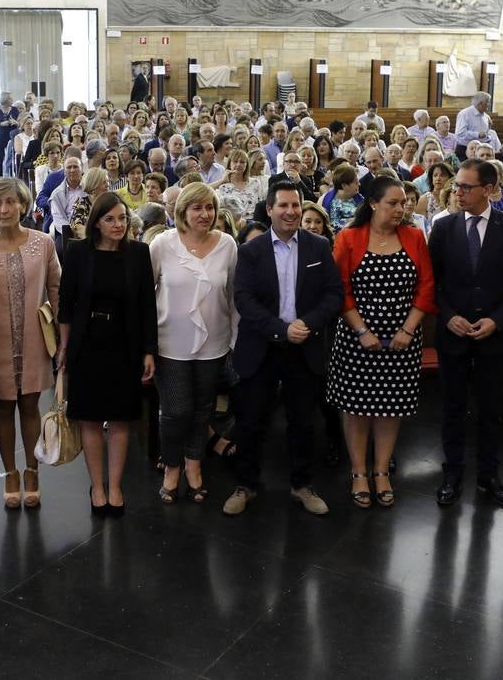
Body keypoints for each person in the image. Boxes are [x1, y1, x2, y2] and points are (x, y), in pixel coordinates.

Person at [224, 180, 343, 517]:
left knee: (303, 422)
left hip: (305, 346)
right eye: (283, 206)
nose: (291, 212)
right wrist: (282, 330)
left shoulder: (319, 247)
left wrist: (308, 324)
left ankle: (302, 486)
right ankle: (245, 485)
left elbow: (333, 294)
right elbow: (244, 299)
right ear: (270, 209)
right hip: (262, 346)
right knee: (250, 421)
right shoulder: (250, 251)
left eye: (296, 205)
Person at [428, 160, 503, 510]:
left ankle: (489, 475)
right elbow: (432, 284)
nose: (457, 191)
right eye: (456, 186)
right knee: (453, 408)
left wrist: (497, 321)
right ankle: (452, 473)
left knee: (491, 409)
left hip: (493, 335)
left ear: (488, 189)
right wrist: (449, 315)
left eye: (465, 187)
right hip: (453, 333)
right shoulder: (443, 228)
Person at [327, 177, 436, 509]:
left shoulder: (415, 236)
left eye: (404, 203)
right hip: (357, 338)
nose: (401, 209)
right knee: (357, 410)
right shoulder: (348, 237)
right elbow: (340, 290)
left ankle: (381, 471)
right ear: (373, 204)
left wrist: (407, 330)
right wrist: (362, 331)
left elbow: (427, 287)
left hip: (403, 340)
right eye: (394, 203)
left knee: (391, 408)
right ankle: (359, 471)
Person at [59, 192, 157, 516]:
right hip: (87, 343)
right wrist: (63, 348)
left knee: (120, 418)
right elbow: (65, 305)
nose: (118, 224)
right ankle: (96, 485)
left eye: (123, 218)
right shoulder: (77, 252)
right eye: (110, 219)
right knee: (89, 417)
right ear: (96, 223)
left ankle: (114, 485)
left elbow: (147, 306)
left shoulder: (139, 253)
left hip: (125, 343)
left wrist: (149, 350)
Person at [149, 183, 237, 504]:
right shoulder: (162, 244)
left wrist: (235, 340)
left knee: (203, 410)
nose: (205, 214)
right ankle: (171, 467)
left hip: (214, 343)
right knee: (175, 411)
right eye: (197, 208)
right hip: (168, 343)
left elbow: (233, 296)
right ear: (182, 212)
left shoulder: (227, 244)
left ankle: (194, 466)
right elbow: (147, 295)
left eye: (209, 207)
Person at [0, 178, 60, 509]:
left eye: (10, 202)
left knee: (29, 406)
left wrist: (62, 335)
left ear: (23, 205)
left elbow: (56, 287)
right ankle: (10, 472)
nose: (4, 209)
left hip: (35, 338)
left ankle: (32, 470)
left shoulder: (43, 244)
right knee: (2, 407)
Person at [454, 92, 500, 158]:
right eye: (487, 102)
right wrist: (477, 134)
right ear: (481, 103)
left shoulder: (486, 116)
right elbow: (460, 133)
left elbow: (486, 133)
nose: (489, 105)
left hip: (481, 150)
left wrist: (488, 137)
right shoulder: (465, 114)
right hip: (465, 149)